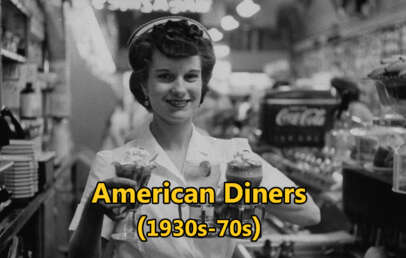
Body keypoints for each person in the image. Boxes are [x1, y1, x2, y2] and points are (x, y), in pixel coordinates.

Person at [68, 17, 320, 258]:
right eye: (165, 76)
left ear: (202, 85)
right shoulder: (114, 164)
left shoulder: (233, 158)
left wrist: (245, 192)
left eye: (190, 76)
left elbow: (309, 213)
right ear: (144, 85)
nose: (180, 89)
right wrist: (94, 209)